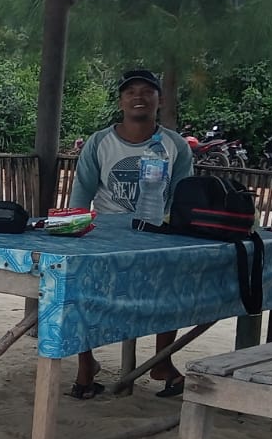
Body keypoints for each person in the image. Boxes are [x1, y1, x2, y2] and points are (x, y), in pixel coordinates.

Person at [68, 67, 194, 399]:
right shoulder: (99, 142)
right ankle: (85, 364)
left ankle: (161, 361)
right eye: (130, 91)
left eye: (147, 91)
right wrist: (75, 230)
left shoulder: (175, 145)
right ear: (121, 100)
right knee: (81, 287)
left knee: (171, 286)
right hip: (107, 235)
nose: (138, 96)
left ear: (159, 99)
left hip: (157, 235)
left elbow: (184, 197)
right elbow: (81, 194)